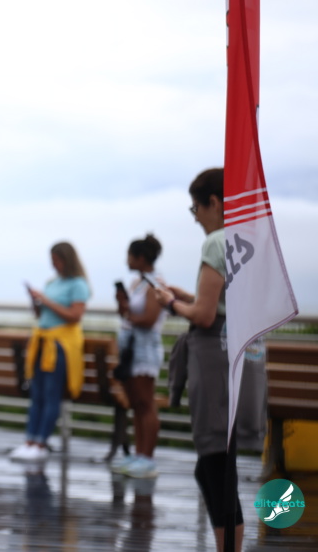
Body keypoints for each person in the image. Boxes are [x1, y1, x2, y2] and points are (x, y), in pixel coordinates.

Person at [154, 168, 266, 552]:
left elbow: (203, 316)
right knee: (218, 468)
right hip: (244, 356)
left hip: (215, 364)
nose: (196, 217)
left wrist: (170, 303)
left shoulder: (217, 241)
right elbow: (223, 303)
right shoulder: (252, 240)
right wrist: (186, 296)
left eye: (195, 208)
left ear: (214, 203)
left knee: (215, 467)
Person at [11, 242, 90, 462]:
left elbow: (75, 316)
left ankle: (41, 442)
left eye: (56, 260)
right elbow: (41, 314)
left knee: (51, 395)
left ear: (67, 259)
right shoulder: (52, 282)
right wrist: (36, 301)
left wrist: (45, 300)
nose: (53, 264)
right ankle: (30, 441)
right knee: (37, 395)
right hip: (43, 342)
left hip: (61, 345)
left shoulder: (78, 284)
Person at [110, 234, 166, 478]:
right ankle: (138, 453)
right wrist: (122, 304)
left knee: (146, 403)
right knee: (136, 403)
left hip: (145, 350)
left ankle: (148, 458)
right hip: (131, 349)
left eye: (130, 256)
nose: (127, 260)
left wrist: (129, 315)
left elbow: (149, 319)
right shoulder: (137, 283)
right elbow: (130, 315)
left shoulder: (155, 284)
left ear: (141, 257)